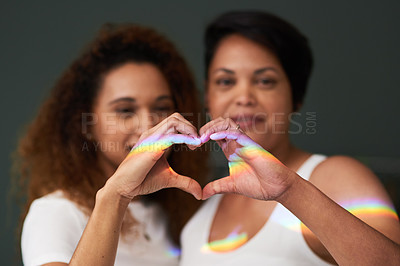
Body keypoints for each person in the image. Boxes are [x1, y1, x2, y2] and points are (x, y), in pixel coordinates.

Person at [179, 11, 400, 265]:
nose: (244, 96)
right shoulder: (203, 203)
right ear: (208, 97)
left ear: (296, 97)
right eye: (226, 81)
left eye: (265, 81)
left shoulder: (334, 177)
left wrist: (290, 191)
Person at [15, 23, 207, 265]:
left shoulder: (172, 215)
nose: (149, 125)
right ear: (87, 125)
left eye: (161, 108)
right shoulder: (57, 211)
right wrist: (115, 195)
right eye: (125, 110)